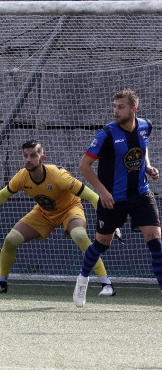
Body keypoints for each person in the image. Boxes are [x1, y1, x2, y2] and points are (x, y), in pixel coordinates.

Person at [0, 140, 116, 296]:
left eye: (33, 156)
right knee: (10, 240)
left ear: (42, 158)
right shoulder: (22, 176)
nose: (28, 159)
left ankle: (107, 284)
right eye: (25, 156)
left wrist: (111, 220)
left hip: (70, 209)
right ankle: (1, 283)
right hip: (43, 213)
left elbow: (92, 196)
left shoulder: (58, 176)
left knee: (80, 236)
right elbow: (3, 194)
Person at [73, 89, 162, 307]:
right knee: (102, 244)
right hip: (113, 199)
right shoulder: (106, 134)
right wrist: (102, 191)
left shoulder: (145, 126)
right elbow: (84, 166)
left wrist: (147, 166)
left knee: (157, 244)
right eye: (114, 106)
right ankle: (83, 280)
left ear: (134, 109)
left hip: (141, 194)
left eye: (120, 107)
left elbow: (143, 145)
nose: (115, 111)